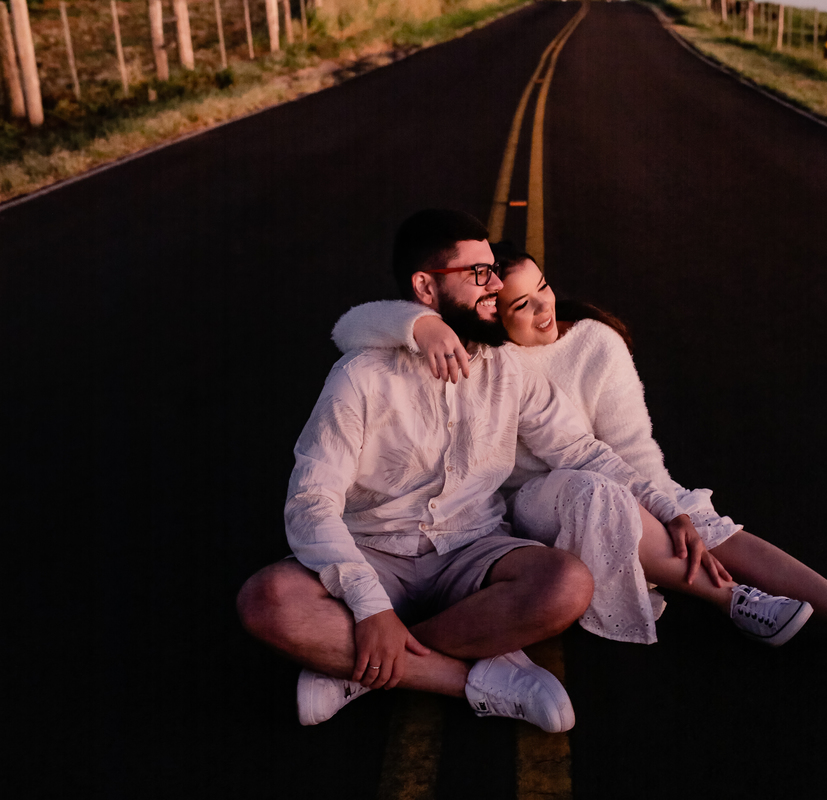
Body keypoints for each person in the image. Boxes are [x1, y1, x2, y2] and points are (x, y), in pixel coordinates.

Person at [236, 210, 723, 731]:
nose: (494, 285)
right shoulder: (360, 377)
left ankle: (364, 664)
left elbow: (580, 451)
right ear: (425, 287)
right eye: (478, 274)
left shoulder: (507, 368)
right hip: (374, 550)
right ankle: (468, 680)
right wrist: (370, 606)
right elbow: (310, 503)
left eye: (491, 269)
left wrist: (666, 506)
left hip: (472, 549)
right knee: (267, 600)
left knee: (565, 585)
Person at [331, 242, 827, 660]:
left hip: (608, 478)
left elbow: (630, 448)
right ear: (492, 313)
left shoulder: (594, 343)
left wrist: (673, 510)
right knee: (591, 491)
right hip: (522, 514)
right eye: (520, 304)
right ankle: (734, 602)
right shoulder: (485, 355)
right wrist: (423, 324)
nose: (544, 308)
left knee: (695, 520)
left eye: (544, 288)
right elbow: (354, 328)